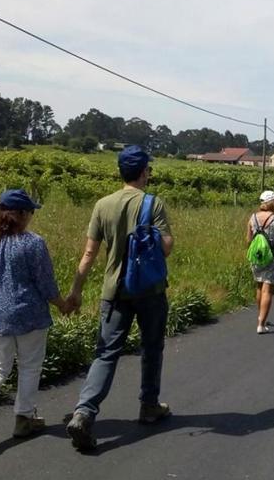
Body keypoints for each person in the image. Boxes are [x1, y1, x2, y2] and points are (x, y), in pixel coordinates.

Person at [64, 146, 174, 451]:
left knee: (106, 353)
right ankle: (149, 406)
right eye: (148, 170)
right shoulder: (153, 204)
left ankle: (84, 412)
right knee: (152, 348)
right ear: (143, 172)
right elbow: (166, 247)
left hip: (113, 292)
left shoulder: (103, 205)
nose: (149, 174)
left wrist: (76, 289)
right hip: (149, 290)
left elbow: (89, 254)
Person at [0, 189, 70, 447]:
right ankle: (24, 418)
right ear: (20, 214)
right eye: (30, 212)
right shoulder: (32, 243)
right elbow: (46, 284)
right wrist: (62, 304)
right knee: (29, 365)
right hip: (27, 314)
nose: (31, 216)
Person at [246, 190, 274, 334]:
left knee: (259, 286)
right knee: (268, 289)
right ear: (272, 202)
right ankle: (261, 323)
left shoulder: (252, 217)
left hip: (257, 255)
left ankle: (261, 315)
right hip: (273, 256)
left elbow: (248, 239)